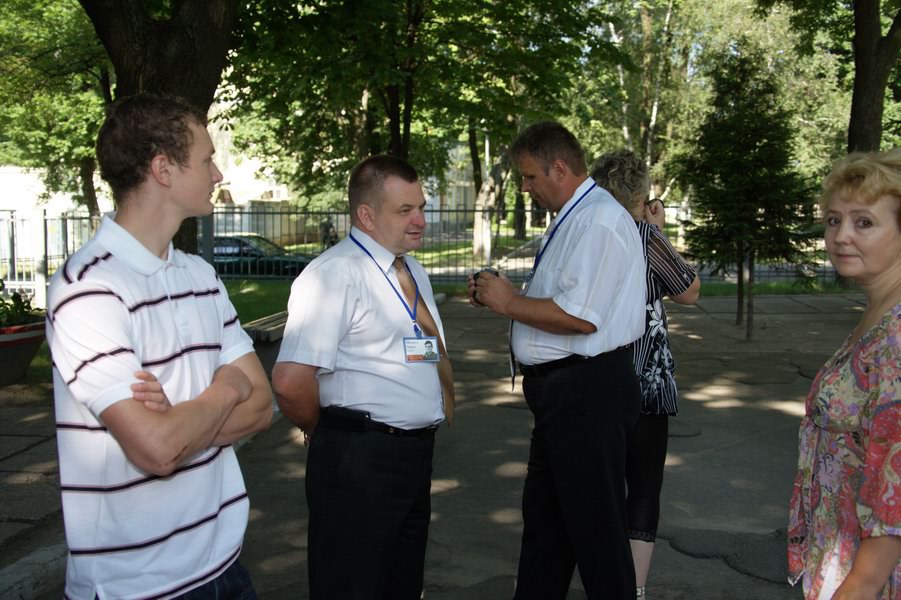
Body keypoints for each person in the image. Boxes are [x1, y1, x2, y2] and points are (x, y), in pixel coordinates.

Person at [46, 93, 273, 599]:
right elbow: (157, 449)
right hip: (137, 586)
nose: (218, 174)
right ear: (163, 169)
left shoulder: (200, 275)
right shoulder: (88, 288)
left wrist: (180, 421)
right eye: (208, 159)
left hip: (225, 565)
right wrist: (226, 388)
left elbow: (261, 409)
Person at [470, 122, 647, 599]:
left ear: (560, 168)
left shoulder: (598, 220)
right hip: (565, 395)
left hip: (586, 393)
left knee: (597, 535)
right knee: (547, 530)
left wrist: (509, 302)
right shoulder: (577, 216)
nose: (524, 187)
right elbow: (563, 302)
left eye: (529, 177)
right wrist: (504, 296)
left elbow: (580, 317)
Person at [272, 154, 454, 600]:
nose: (420, 221)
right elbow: (290, 382)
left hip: (413, 458)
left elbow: (415, 347)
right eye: (405, 210)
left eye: (421, 207)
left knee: (401, 586)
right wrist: (327, 431)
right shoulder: (335, 274)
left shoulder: (410, 270)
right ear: (367, 216)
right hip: (359, 460)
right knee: (351, 587)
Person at [788, 148, 901, 599]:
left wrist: (859, 586)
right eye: (834, 220)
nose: (841, 236)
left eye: (864, 222)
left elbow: (895, 490)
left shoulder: (896, 337)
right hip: (839, 555)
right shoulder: (877, 315)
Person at [591, 150, 700, 599]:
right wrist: (658, 231)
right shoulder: (643, 236)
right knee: (643, 488)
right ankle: (632, 588)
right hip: (647, 382)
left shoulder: (588, 233)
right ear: (640, 195)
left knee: (596, 485)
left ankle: (601, 579)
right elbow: (689, 291)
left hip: (594, 378)